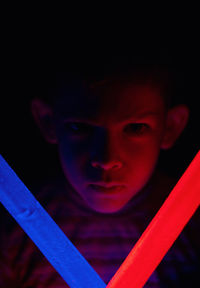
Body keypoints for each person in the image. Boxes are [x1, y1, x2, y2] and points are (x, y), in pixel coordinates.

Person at [0, 58, 199, 287]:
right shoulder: (11, 230)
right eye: (80, 127)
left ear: (171, 127)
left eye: (135, 128)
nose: (106, 159)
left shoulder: (194, 230)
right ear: (47, 121)